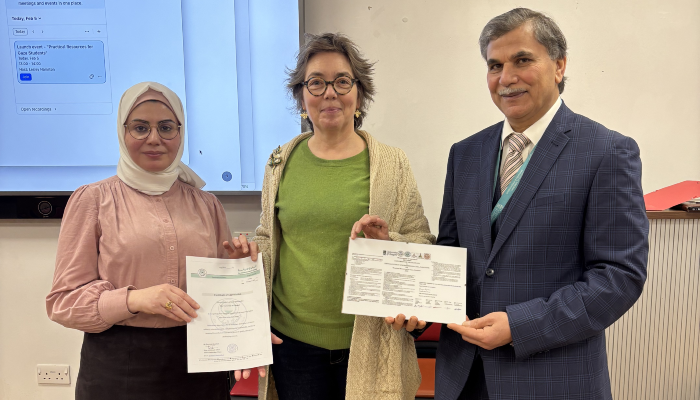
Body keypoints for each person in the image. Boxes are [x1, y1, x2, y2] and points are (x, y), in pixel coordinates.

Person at [434, 8, 649, 400]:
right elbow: (450, 255)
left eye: (522, 60)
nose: (506, 78)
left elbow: (619, 277)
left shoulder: (607, 151)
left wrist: (520, 325)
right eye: (494, 65)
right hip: (463, 379)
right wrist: (412, 295)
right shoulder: (464, 154)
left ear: (559, 65)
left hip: (553, 379)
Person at [46, 82, 268, 400]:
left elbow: (220, 296)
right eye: (140, 127)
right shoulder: (93, 199)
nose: (154, 139)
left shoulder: (206, 204)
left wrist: (235, 272)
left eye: (166, 127)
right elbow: (63, 302)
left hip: (200, 365)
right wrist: (136, 300)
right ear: (123, 133)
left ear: (180, 132)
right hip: (118, 366)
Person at [248, 33, 435, 400]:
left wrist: (388, 242)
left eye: (342, 81)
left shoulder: (393, 163)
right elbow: (268, 237)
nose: (329, 93)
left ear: (359, 93)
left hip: (369, 341)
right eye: (316, 82)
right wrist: (245, 256)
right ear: (301, 95)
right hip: (293, 345)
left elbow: (420, 240)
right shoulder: (279, 161)